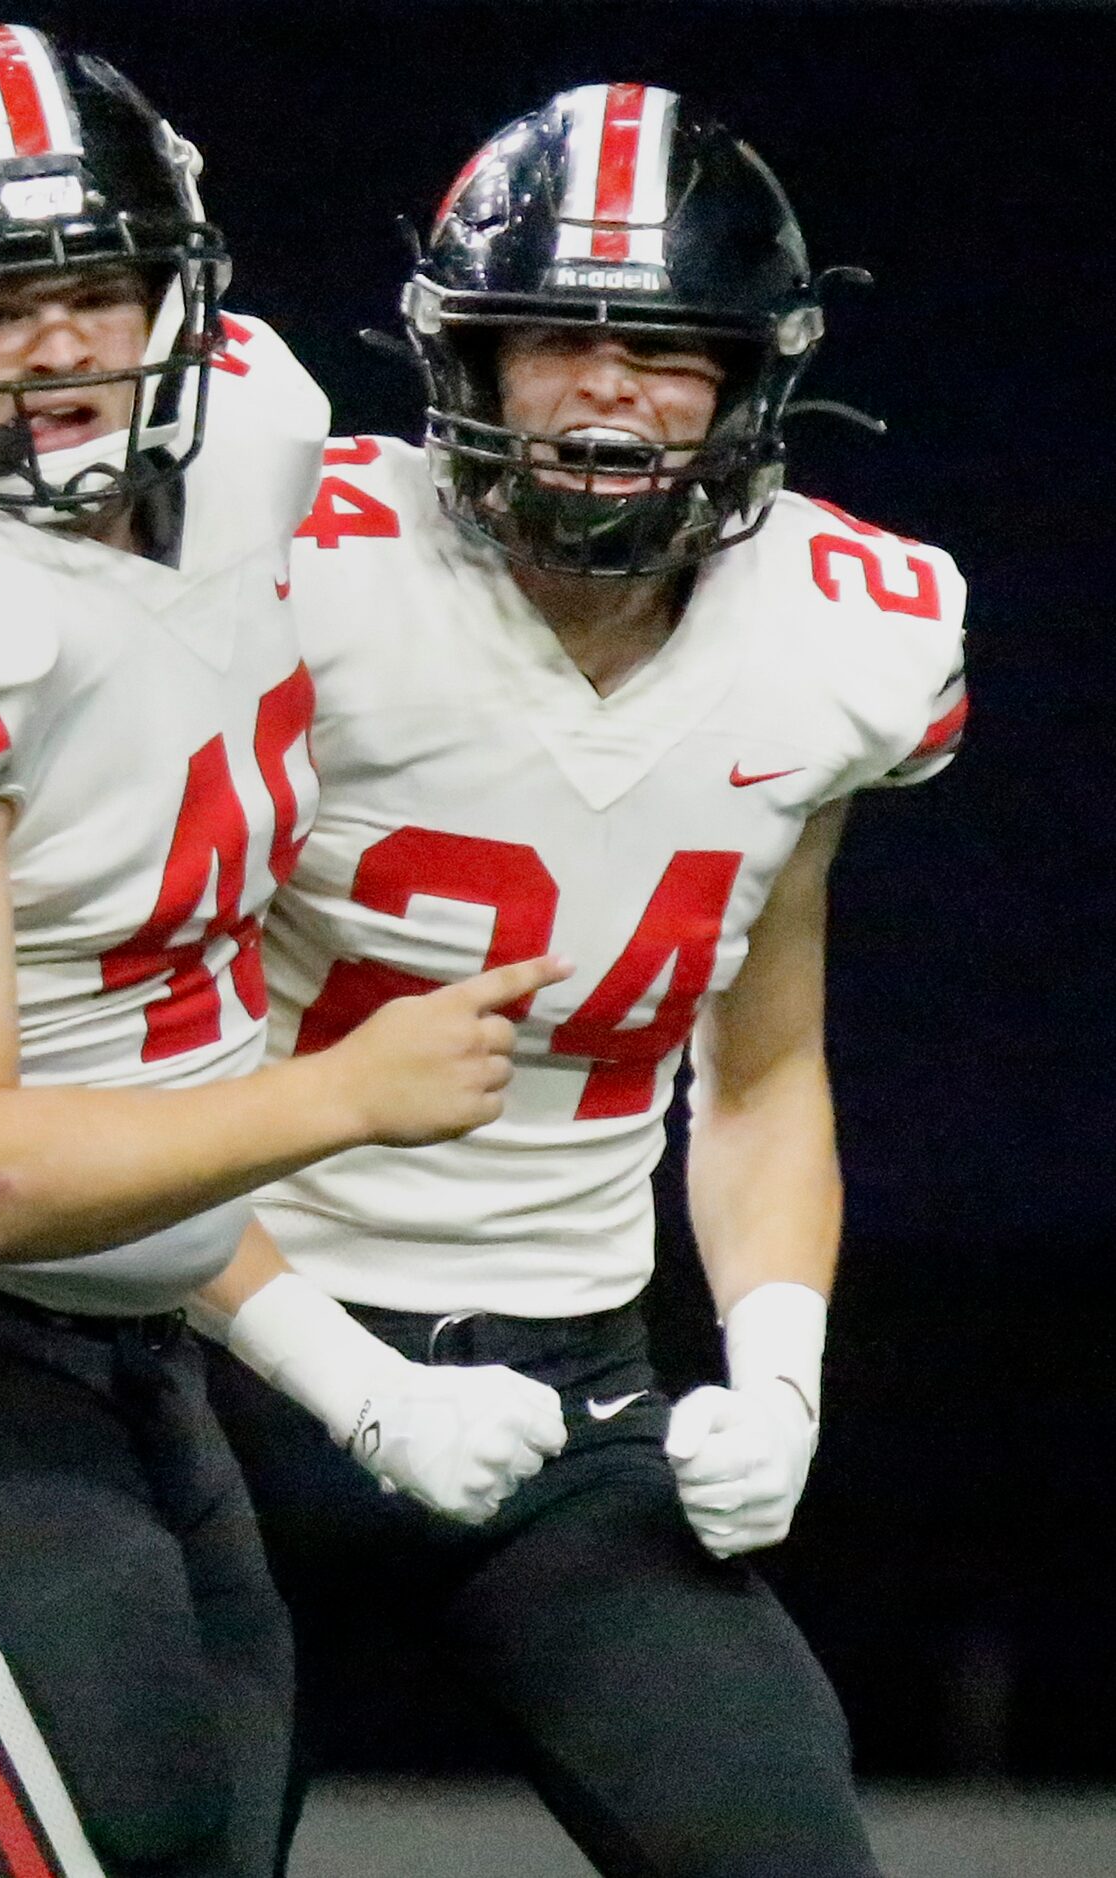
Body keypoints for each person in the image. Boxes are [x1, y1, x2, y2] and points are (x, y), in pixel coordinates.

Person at [0, 26, 565, 1878]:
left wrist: (338, 1369)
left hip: (141, 1334)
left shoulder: (259, 424)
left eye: (96, 287)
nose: (64, 347)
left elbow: (124, 1044)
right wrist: (343, 1095)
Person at [198, 84, 967, 1877]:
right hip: (215, 1362)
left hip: (566, 1387)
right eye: (557, 338)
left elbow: (764, 1066)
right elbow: (106, 1028)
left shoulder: (850, 632)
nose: (609, 390)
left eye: (666, 348)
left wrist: (778, 1374)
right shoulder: (286, 566)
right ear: (465, 357)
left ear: (752, 376)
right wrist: (344, 1377)